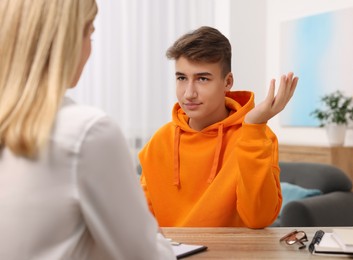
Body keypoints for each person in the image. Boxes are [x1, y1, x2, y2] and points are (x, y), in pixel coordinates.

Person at [0, 0, 175, 259]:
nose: (89, 48)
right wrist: (153, 238)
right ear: (67, 39)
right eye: (89, 33)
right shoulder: (87, 133)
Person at [139, 26, 298, 228]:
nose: (188, 93)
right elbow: (142, 220)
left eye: (202, 79)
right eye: (181, 78)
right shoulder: (160, 141)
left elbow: (258, 219)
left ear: (227, 82)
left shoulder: (258, 135)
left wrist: (253, 127)